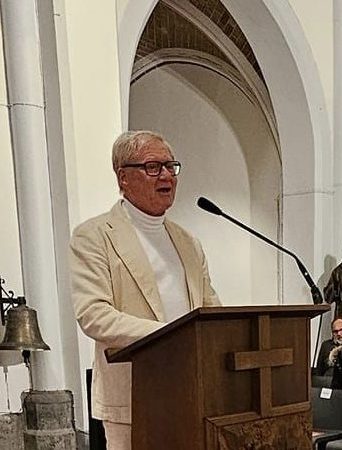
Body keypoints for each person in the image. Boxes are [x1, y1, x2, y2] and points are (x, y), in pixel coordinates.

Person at [69, 131, 220, 450]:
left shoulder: (187, 242)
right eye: (153, 167)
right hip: (133, 395)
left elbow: (211, 310)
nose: (166, 175)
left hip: (192, 390)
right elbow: (94, 315)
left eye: (170, 166)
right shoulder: (94, 236)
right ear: (123, 177)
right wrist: (171, 335)